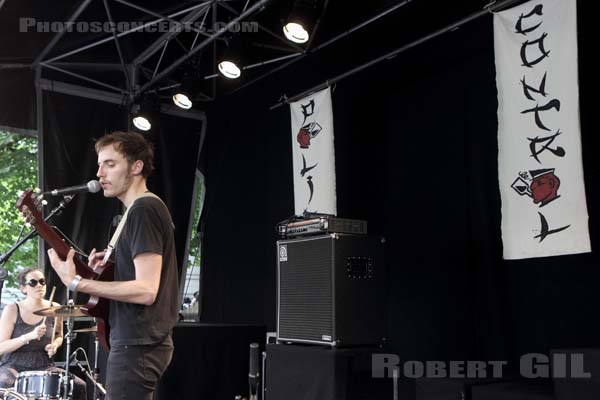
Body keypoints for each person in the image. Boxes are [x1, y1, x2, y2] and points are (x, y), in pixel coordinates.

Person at [47, 131, 179, 400]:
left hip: (138, 344)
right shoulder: (134, 213)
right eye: (99, 164)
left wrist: (76, 282)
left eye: (110, 164)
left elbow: (146, 290)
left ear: (136, 166)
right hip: (137, 343)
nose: (99, 174)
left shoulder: (144, 209)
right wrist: (111, 267)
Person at [0, 268, 87, 399]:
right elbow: (2, 347)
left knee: (79, 385)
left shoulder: (55, 307)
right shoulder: (12, 309)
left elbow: (58, 336)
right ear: (23, 288)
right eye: (33, 282)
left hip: (44, 366)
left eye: (42, 281)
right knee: (5, 383)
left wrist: (55, 345)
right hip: (13, 366)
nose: (39, 285)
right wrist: (29, 336)